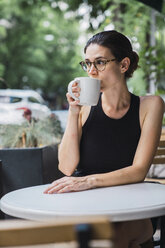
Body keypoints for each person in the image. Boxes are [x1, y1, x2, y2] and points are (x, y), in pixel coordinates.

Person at [44, 30, 165, 247]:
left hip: (132, 204)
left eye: (100, 63)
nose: (91, 71)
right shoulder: (83, 109)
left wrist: (88, 181)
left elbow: (138, 171)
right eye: (87, 63)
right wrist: (73, 111)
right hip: (85, 203)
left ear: (123, 65)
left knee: (112, 235)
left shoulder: (150, 106)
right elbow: (67, 167)